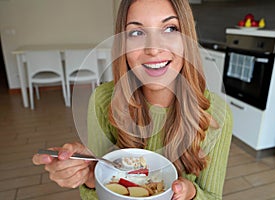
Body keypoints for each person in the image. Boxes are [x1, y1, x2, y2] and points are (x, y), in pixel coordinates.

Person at [32, 0, 232, 199]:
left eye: (170, 28)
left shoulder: (217, 114)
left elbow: (213, 197)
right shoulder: (103, 100)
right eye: (137, 32)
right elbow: (96, 187)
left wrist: (191, 194)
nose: (153, 49)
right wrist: (91, 177)